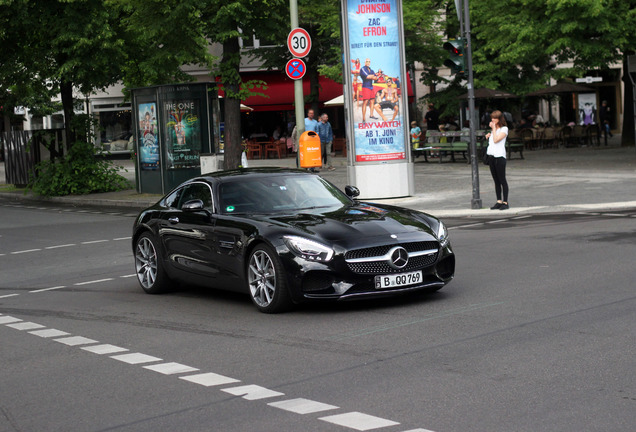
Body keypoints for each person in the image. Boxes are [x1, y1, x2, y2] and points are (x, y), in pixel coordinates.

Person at [485, 110, 510, 210]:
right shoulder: (493, 130)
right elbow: (492, 142)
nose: (493, 120)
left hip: (500, 157)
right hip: (492, 156)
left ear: (499, 119)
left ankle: (505, 201)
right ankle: (498, 200)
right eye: (492, 118)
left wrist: (494, 129)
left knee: (502, 179)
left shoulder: (504, 129)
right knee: (496, 180)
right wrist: (488, 136)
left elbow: (497, 140)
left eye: (495, 118)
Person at [359, 58, 379, 122]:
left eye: (369, 61)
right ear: (365, 62)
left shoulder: (371, 70)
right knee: (365, 101)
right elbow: (367, 77)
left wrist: (372, 76)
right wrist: (373, 75)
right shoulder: (362, 69)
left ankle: (371, 115)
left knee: (372, 100)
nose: (368, 62)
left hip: (371, 87)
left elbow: (375, 78)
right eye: (367, 61)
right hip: (365, 87)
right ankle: (364, 118)